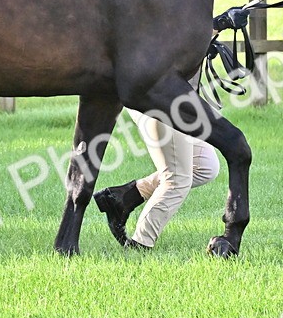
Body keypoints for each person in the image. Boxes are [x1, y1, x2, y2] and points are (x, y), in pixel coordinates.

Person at [93, 107, 220, 249]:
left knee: (204, 165)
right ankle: (140, 244)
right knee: (177, 178)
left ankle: (121, 198)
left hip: (180, 103)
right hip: (160, 101)